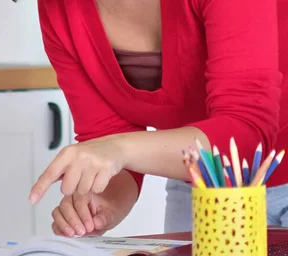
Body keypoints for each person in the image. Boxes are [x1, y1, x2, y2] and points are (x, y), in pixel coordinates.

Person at [29, 0, 288, 237]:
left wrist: (118, 149)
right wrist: (103, 202)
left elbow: (243, 136)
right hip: (201, 185)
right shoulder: (58, 9)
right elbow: (107, 139)